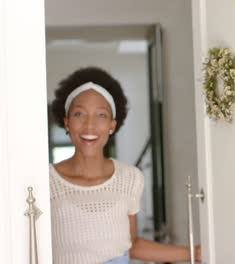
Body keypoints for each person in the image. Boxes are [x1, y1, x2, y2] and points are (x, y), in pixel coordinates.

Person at [49, 66, 201, 264]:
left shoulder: (129, 178)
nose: (89, 126)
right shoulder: (47, 182)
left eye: (101, 115)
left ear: (112, 125)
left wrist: (194, 253)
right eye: (79, 114)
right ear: (67, 122)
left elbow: (133, 244)